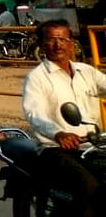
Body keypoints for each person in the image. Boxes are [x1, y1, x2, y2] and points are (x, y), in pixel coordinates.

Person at [22, 19, 106, 215]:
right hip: (57, 149)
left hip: (93, 145)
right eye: (51, 40)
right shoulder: (37, 78)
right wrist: (58, 133)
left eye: (62, 39)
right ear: (43, 45)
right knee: (89, 186)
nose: (58, 44)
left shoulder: (86, 72)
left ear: (71, 43)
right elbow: (34, 113)